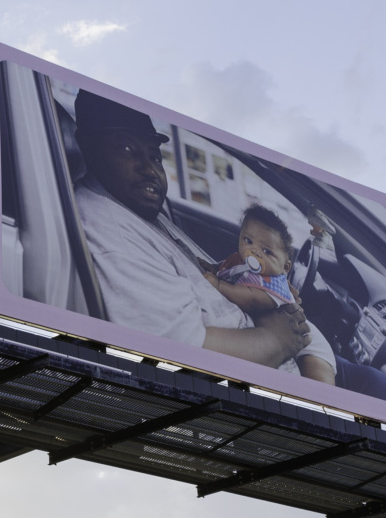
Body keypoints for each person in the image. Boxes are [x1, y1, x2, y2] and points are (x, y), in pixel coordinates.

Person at [67, 90, 311, 372]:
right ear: (87, 146)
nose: (149, 169)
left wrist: (264, 284)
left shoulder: (134, 206)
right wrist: (278, 340)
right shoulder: (110, 231)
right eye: (126, 149)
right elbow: (181, 354)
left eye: (154, 156)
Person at [205, 206, 338, 384]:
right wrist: (214, 269)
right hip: (284, 331)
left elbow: (250, 298)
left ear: (285, 268)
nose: (254, 252)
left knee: (318, 382)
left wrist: (219, 285)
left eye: (267, 251)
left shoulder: (274, 286)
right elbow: (229, 269)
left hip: (308, 341)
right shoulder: (241, 261)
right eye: (248, 240)